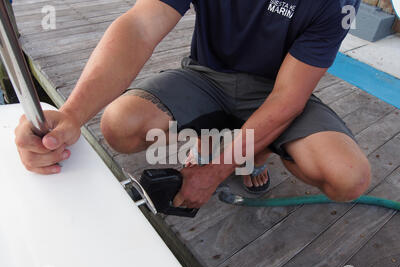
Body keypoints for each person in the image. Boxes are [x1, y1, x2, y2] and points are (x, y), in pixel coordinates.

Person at [15, 0, 371, 209]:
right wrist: (73, 113)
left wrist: (213, 172)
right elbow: (140, 25)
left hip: (275, 88)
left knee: (348, 178)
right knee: (119, 125)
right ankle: (238, 149)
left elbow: (287, 98)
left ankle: (248, 152)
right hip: (206, 76)